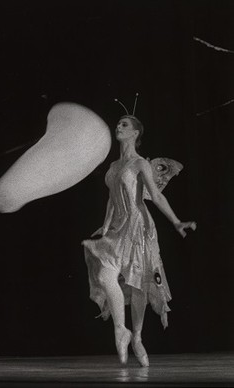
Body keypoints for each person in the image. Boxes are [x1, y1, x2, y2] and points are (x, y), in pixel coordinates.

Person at [82, 115, 196, 367]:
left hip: (138, 225)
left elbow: (155, 196)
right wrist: (105, 225)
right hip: (117, 226)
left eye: (124, 125)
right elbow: (112, 199)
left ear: (135, 133)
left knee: (137, 283)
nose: (118, 127)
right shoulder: (113, 166)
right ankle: (121, 329)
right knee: (104, 276)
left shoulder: (140, 163)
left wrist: (176, 221)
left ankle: (138, 338)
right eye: (118, 124)